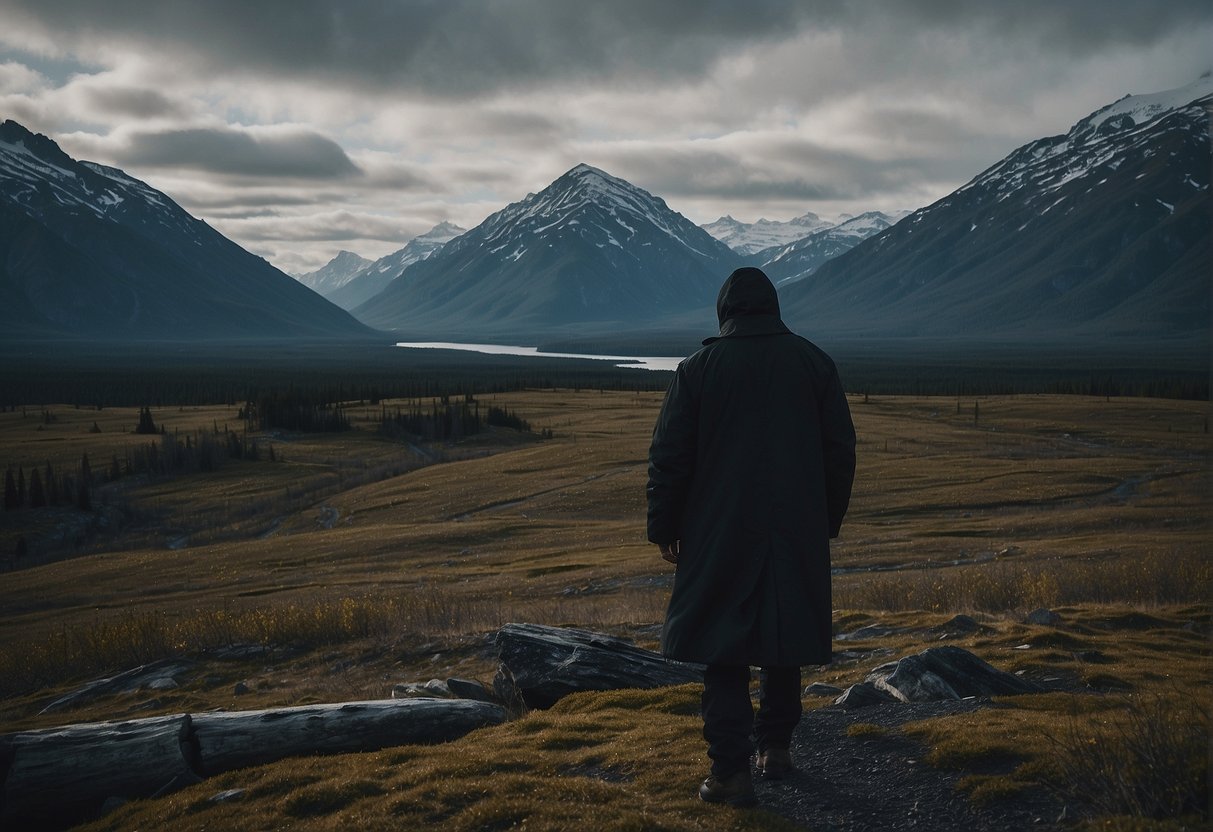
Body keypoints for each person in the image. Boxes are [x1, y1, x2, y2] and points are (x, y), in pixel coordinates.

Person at [647, 266, 856, 807]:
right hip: (795, 528)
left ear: (725, 313)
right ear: (773, 308)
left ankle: (729, 775)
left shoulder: (698, 370)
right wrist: (824, 521)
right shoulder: (815, 364)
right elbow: (840, 453)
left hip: (717, 531)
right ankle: (777, 749)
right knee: (783, 638)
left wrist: (665, 527)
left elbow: (670, 459)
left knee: (724, 649)